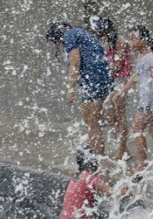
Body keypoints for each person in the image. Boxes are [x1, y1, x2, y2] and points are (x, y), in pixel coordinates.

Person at [114, 25, 153, 174]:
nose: (130, 43)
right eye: (129, 39)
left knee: (137, 130)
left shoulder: (149, 57)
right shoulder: (141, 56)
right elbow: (135, 77)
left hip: (150, 99)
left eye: (133, 39)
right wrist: (122, 91)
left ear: (143, 40)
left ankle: (143, 164)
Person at [46, 21, 113, 156]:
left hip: (94, 80)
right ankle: (91, 157)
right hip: (101, 79)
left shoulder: (69, 36)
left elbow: (75, 62)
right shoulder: (80, 32)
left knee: (91, 121)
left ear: (58, 36)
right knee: (91, 121)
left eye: (57, 42)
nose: (59, 45)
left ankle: (97, 159)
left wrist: (70, 88)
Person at [57, 147, 126, 219]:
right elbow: (115, 193)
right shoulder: (91, 178)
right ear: (93, 163)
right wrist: (131, 187)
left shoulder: (77, 174)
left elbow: (73, 170)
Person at [96, 18, 133, 161]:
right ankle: (124, 149)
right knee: (111, 117)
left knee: (120, 116)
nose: (104, 37)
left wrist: (99, 70)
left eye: (105, 33)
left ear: (111, 30)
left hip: (120, 82)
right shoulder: (107, 41)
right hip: (109, 81)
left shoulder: (122, 42)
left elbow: (116, 66)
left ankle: (122, 150)